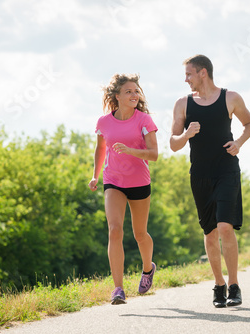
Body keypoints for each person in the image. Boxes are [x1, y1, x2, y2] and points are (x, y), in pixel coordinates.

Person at [170, 55, 250, 308]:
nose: (186, 79)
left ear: (203, 73)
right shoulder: (182, 104)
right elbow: (173, 144)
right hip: (200, 175)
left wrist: (238, 142)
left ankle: (234, 285)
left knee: (225, 226)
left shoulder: (231, 98)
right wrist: (186, 134)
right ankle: (218, 285)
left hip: (227, 170)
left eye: (189, 74)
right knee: (210, 232)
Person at [89, 73, 158, 305]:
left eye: (136, 91)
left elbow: (154, 155)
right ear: (116, 96)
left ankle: (148, 269)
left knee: (140, 234)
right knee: (115, 230)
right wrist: (95, 176)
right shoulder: (103, 122)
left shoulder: (144, 121)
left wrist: (130, 151)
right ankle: (117, 289)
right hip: (113, 181)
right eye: (129, 91)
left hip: (139, 182)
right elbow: (101, 149)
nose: (134, 95)